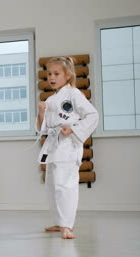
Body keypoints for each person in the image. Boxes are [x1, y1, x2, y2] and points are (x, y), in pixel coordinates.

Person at [37, 57, 98, 239]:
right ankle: (58, 221)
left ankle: (67, 226)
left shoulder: (74, 94)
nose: (51, 77)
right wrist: (41, 112)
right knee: (52, 185)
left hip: (68, 144)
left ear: (68, 75)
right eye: (49, 74)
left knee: (66, 185)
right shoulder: (51, 98)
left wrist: (73, 129)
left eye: (56, 74)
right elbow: (44, 128)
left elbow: (92, 115)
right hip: (54, 144)